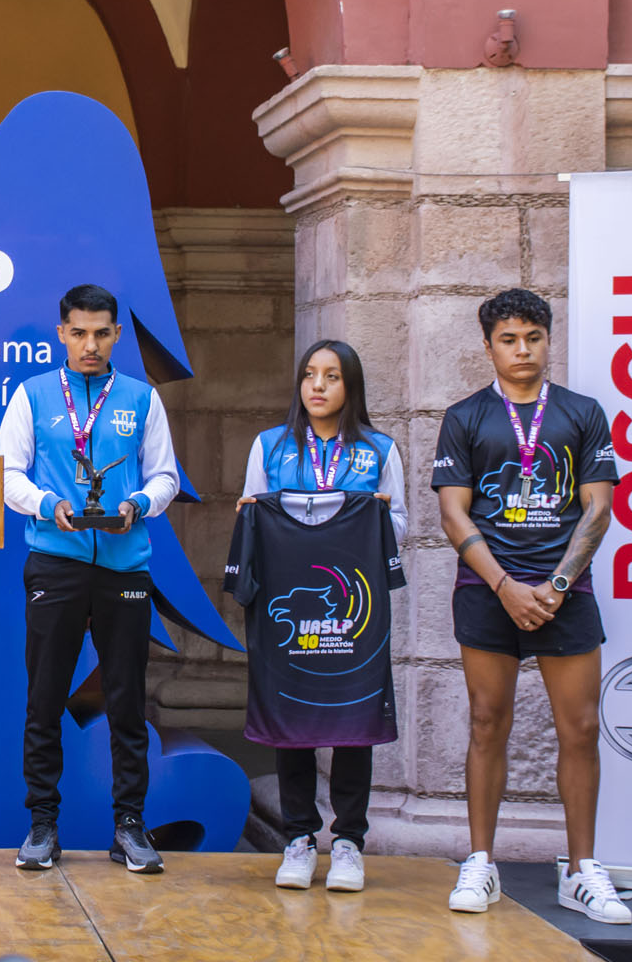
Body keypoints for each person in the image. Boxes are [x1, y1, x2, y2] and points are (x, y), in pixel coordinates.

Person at [432, 288, 629, 925]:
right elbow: (453, 510)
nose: (523, 350)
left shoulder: (582, 412)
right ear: (487, 346)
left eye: (534, 338)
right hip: (489, 591)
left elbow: (598, 507)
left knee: (581, 729)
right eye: (509, 339)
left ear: (549, 340)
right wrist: (506, 587)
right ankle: (481, 863)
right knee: (488, 723)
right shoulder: (464, 417)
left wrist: (558, 586)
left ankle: (582, 870)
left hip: (564, 593)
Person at [0, 284, 177, 875]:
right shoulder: (33, 395)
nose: (90, 345)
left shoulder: (141, 399)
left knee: (126, 701)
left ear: (117, 335)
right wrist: (48, 503)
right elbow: (7, 475)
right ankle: (42, 824)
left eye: (102, 333)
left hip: (125, 565)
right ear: (61, 333)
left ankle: (130, 825)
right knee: (44, 698)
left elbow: (166, 476)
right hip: (56, 562)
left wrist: (140, 503)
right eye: (78, 333)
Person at [233, 340, 407, 894]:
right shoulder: (270, 446)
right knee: (293, 724)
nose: (318, 386)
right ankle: (300, 838)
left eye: (331, 376)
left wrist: (369, 518)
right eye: (309, 374)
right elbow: (252, 516)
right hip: (290, 614)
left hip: (353, 616)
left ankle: (350, 841)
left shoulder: (379, 450)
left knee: (353, 723)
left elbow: (398, 526)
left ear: (350, 386)